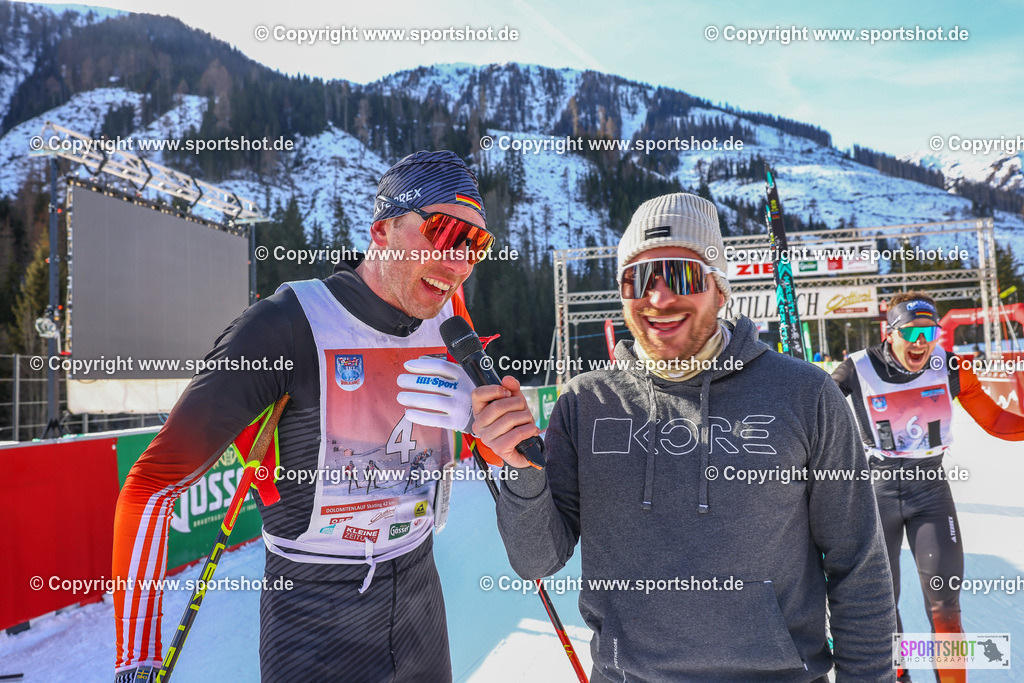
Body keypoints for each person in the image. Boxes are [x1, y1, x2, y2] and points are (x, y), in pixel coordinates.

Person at [468, 193, 897, 681]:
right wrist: (522, 469)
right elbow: (536, 559)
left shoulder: (806, 394)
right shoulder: (586, 402)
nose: (659, 298)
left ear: (720, 288)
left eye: (682, 276)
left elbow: (858, 565)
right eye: (638, 279)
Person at [113, 150, 500, 682]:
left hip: (419, 601)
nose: (459, 263)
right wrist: (136, 659)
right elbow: (152, 485)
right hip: (314, 614)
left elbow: (495, 442)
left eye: (475, 244)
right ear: (382, 231)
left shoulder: (449, 319)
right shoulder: (287, 324)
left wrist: (491, 423)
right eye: (443, 231)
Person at [831, 291, 1024, 683]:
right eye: (911, 331)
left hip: (931, 495)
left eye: (928, 331)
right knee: (883, 606)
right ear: (891, 332)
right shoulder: (855, 368)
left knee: (946, 608)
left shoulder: (950, 366)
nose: (920, 341)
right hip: (877, 496)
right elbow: (813, 418)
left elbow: (999, 422)